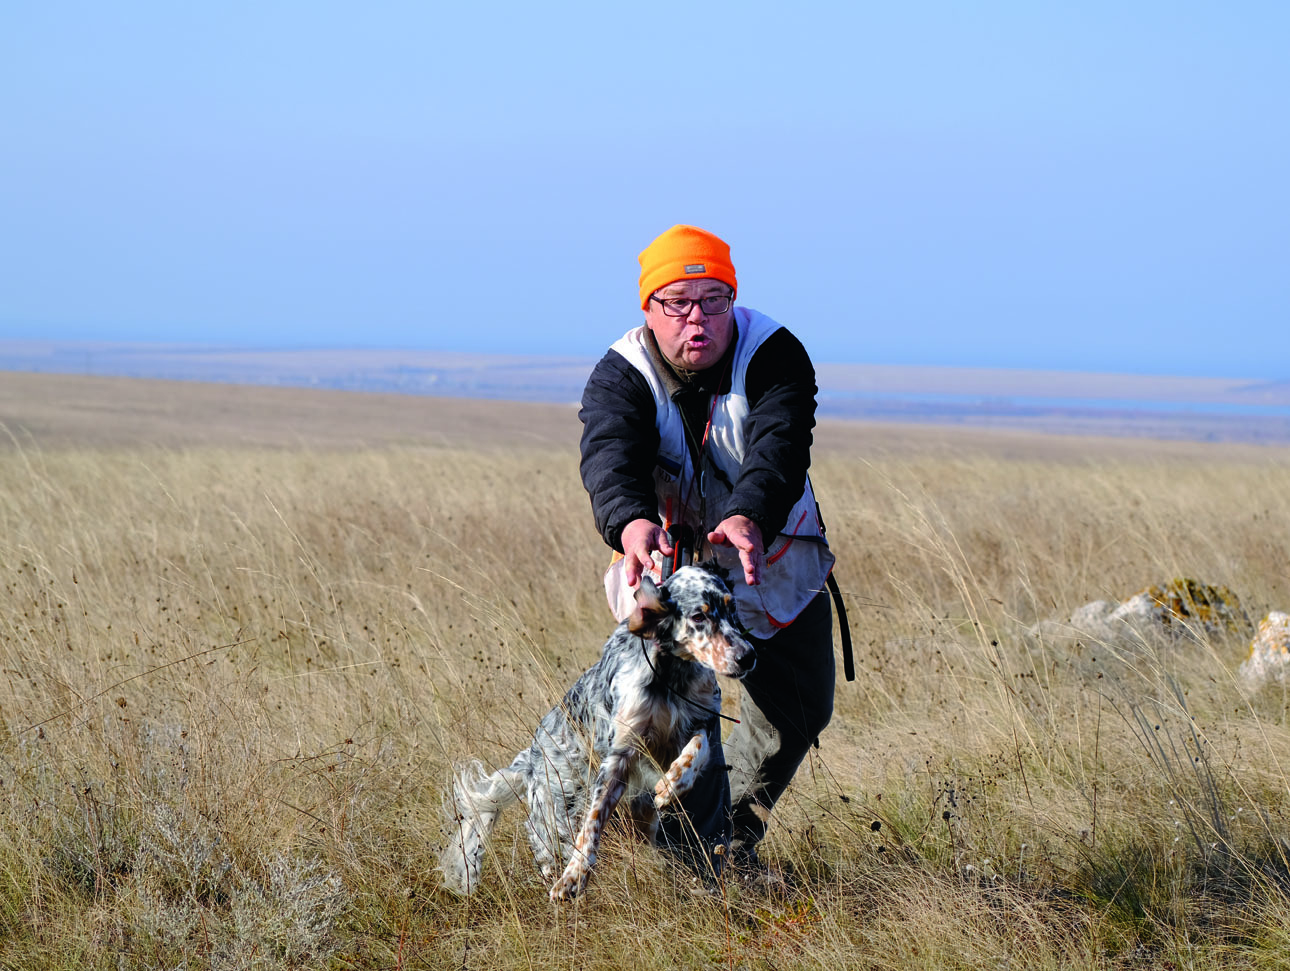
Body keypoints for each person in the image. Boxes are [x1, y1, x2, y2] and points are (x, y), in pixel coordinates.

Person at [578, 224, 837, 882]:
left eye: (713, 300)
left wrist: (749, 513)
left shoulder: (775, 354)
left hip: (767, 556)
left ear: (733, 299)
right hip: (667, 568)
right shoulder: (620, 374)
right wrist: (630, 524)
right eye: (678, 302)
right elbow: (611, 457)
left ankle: (730, 833)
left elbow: (781, 445)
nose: (697, 317)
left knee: (801, 709)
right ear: (648, 308)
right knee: (686, 719)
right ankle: (700, 866)